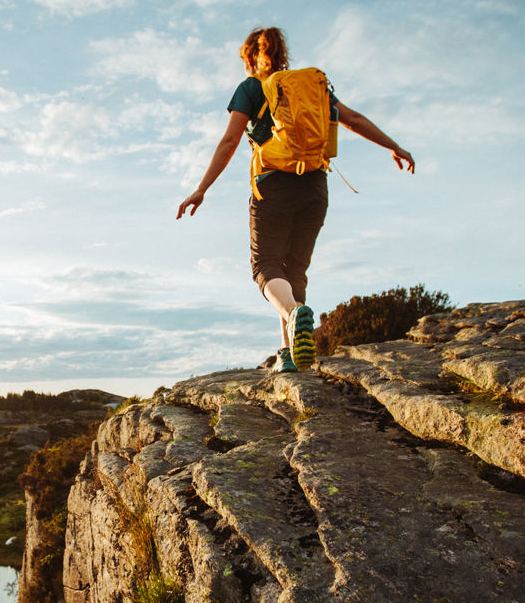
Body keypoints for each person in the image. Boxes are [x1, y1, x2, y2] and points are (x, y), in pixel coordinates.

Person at [176, 26, 414, 372]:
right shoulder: (312, 87)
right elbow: (354, 119)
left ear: (249, 57)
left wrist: (201, 188)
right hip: (315, 187)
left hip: (273, 185)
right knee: (294, 270)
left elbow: (229, 142)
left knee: (266, 266)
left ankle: (291, 315)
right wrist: (394, 145)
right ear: (282, 53)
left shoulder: (251, 88)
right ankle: (288, 355)